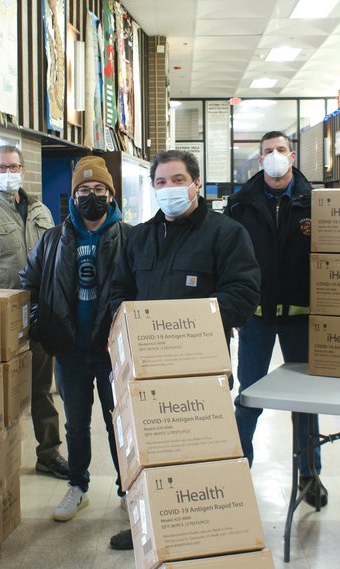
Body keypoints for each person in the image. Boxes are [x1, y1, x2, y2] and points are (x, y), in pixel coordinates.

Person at [107, 149, 260, 550]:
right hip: (146, 376)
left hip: (200, 375)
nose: (169, 188)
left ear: (195, 183)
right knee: (150, 456)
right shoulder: (139, 237)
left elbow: (243, 294)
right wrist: (135, 329)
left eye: (177, 180)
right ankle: (150, 528)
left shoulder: (226, 234)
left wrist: (181, 330)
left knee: (198, 456)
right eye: (160, 182)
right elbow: (118, 295)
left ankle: (202, 528)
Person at [20, 156, 130, 521]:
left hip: (113, 352)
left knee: (120, 422)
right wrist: (41, 324)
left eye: (99, 190)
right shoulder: (52, 240)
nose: (91, 196)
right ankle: (78, 485)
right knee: (76, 424)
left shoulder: (130, 237)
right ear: (73, 196)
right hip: (69, 351)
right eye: (83, 190)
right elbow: (29, 283)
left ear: (111, 195)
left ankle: (128, 488)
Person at [225, 131, 326, 508]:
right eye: (268, 151)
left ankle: (310, 475)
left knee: (305, 401)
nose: (274, 157)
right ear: (259, 158)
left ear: (293, 155)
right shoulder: (240, 205)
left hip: (302, 318)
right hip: (256, 318)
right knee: (249, 395)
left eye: (280, 150)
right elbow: (228, 261)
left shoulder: (316, 202)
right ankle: (236, 471)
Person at [0, 144, 68, 479]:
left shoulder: (41, 212)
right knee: (0, 392)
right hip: (0, 323)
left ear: (23, 170)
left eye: (14, 167)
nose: (9, 173)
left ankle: (48, 453)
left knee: (41, 388)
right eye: (1, 168)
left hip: (38, 314)